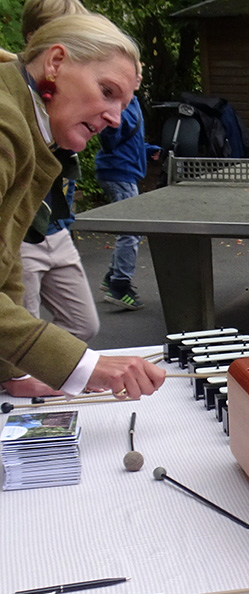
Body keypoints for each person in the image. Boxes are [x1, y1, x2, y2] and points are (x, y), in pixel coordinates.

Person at [2, 14, 165, 399]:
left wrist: (13, 371)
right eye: (108, 91)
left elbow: (4, 266)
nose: (114, 119)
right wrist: (83, 365)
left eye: (123, 105)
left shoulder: (27, 123)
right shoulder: (5, 126)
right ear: (56, 63)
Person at [95, 95, 159, 310]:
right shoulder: (117, 101)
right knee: (131, 230)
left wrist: (146, 149)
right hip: (118, 173)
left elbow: (129, 138)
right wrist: (111, 127)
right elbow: (109, 139)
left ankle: (112, 276)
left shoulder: (133, 101)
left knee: (131, 229)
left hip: (124, 171)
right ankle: (119, 287)